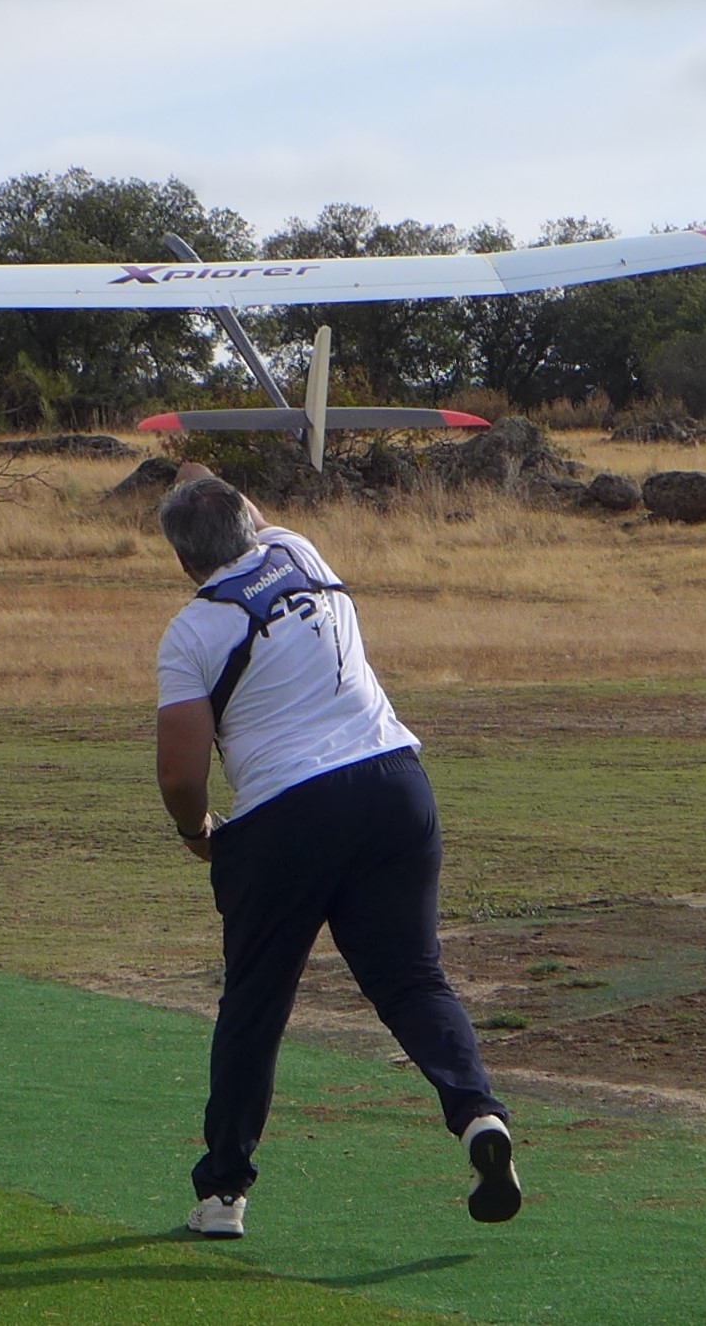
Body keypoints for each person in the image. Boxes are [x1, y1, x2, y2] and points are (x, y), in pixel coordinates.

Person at [153, 464, 520, 1239]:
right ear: (248, 520)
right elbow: (243, 512)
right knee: (413, 979)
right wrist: (205, 475)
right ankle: (477, 1115)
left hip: (284, 818)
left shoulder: (191, 631)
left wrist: (197, 832)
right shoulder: (299, 550)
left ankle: (223, 1194)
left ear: (183, 558)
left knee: (255, 1005)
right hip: (393, 787)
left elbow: (181, 774)